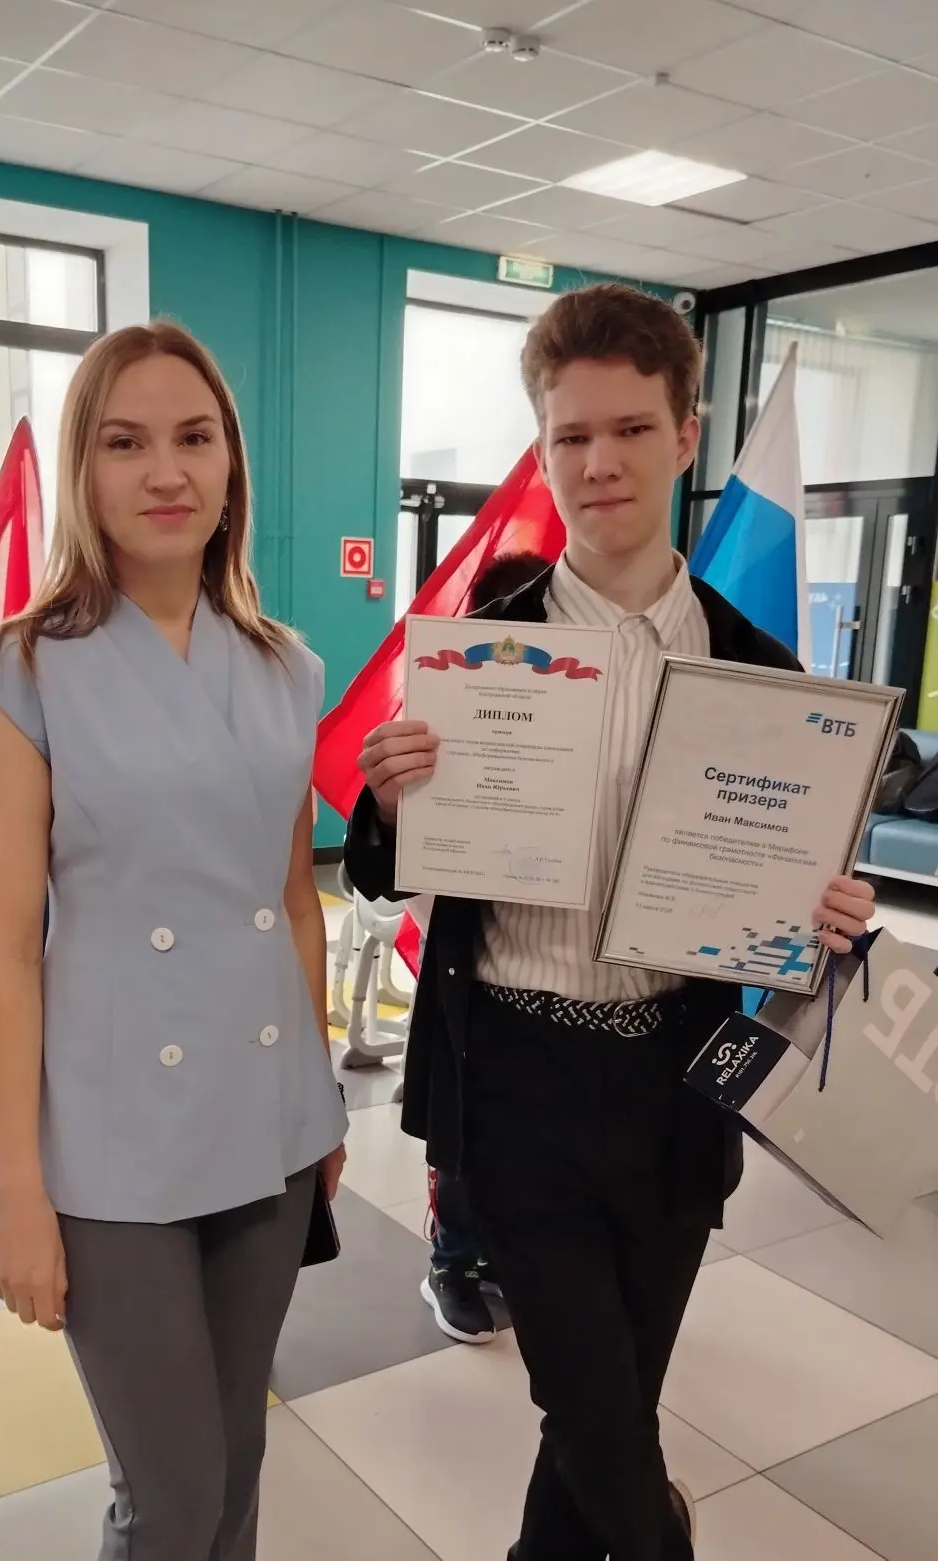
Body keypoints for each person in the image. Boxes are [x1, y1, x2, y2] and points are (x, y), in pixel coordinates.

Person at [344, 284, 876, 1561]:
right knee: (589, 1408)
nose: (599, 463)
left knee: (611, 1402)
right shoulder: (474, 654)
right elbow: (377, 873)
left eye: (630, 429)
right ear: (542, 449)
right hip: (514, 1078)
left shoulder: (767, 675)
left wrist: (827, 914)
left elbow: (791, 905)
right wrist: (389, 801)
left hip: (676, 1082)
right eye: (571, 435)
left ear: (686, 436)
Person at [0, 320, 348, 1561]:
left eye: (194, 438)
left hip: (270, 1117)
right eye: (125, 443)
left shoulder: (287, 668)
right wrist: (17, 1185)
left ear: (232, 463)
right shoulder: (21, 672)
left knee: (236, 1466)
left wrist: (321, 1095)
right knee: (169, 1496)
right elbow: (6, 950)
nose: (165, 471)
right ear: (84, 468)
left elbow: (294, 901)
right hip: (111, 1139)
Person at [421, 550, 548, 1347]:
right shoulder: (447, 716)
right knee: (462, 1129)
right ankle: (452, 1260)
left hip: (555, 983)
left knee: (525, 1133)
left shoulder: (582, 725)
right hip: (469, 968)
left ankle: (501, 1253)